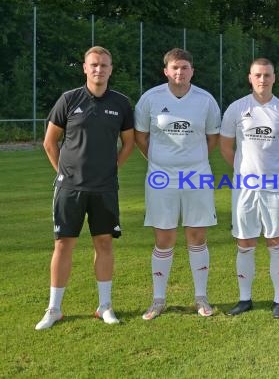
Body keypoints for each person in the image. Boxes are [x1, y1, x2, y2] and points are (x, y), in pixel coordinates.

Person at [36, 46, 135, 330]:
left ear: (110, 69)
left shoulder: (122, 103)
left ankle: (104, 306)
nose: (99, 69)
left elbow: (128, 143)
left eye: (104, 65)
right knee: (63, 244)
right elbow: (49, 142)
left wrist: (112, 168)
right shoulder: (69, 99)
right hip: (70, 188)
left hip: (104, 188)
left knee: (103, 244)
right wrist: (64, 173)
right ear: (85, 68)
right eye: (94, 65)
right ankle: (54, 309)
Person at [134, 48, 221, 320]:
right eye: (174, 68)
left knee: (197, 237)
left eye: (184, 68)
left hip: (197, 175)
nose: (179, 73)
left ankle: (201, 298)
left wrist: (191, 162)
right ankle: (158, 300)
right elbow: (140, 137)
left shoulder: (206, 100)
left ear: (192, 71)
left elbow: (212, 139)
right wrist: (161, 162)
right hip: (161, 177)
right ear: (166, 71)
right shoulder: (150, 99)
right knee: (164, 238)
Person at [219, 58, 279, 319]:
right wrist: (245, 173)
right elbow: (226, 147)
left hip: (275, 186)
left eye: (267, 75)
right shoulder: (236, 108)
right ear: (250, 77)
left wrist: (271, 174)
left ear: (274, 77)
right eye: (257, 75)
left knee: (276, 241)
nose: (262, 80)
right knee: (245, 241)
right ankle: (245, 299)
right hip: (244, 187)